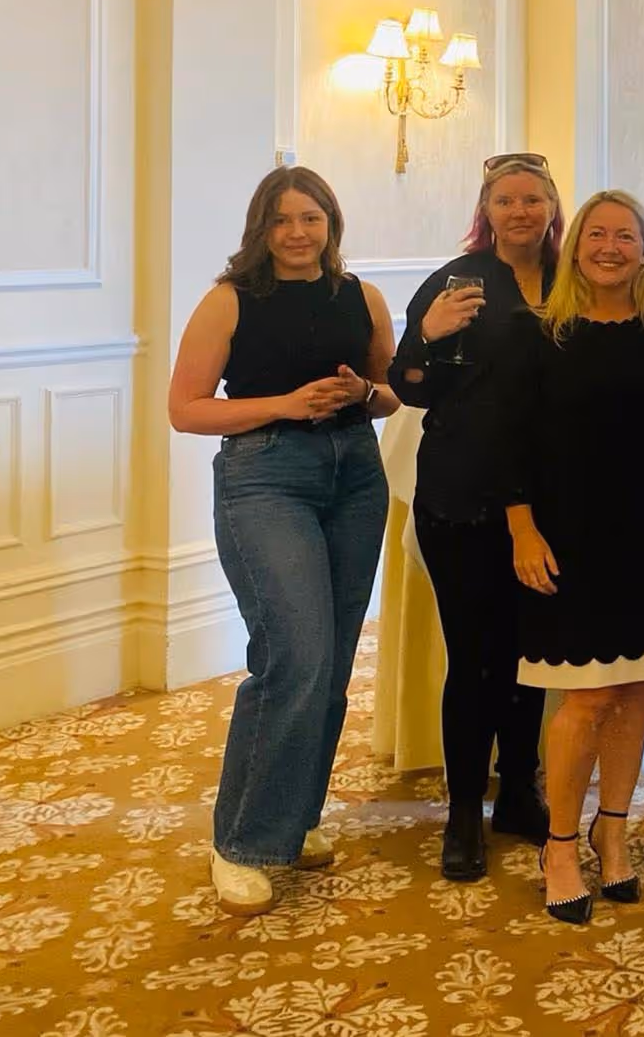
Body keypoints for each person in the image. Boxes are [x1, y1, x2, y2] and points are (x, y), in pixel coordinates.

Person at [167, 167, 400, 916]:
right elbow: (186, 410)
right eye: (282, 220)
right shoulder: (227, 300)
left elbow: (392, 391)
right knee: (292, 655)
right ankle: (241, 840)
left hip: (356, 476)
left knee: (329, 663)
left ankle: (293, 818)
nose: (298, 233)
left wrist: (363, 396)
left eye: (312, 218)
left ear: (331, 223)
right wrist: (289, 405)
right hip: (266, 477)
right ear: (260, 229)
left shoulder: (361, 295)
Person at [500, 191, 644, 924]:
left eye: (627, 236)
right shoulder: (537, 334)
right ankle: (560, 845)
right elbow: (513, 443)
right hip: (566, 535)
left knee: (632, 689)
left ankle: (612, 831)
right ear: (576, 244)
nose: (611, 247)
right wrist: (522, 531)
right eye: (598, 234)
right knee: (584, 695)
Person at [389, 153, 562, 881]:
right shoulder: (456, 281)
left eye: (532, 198)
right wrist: (426, 334)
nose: (520, 211)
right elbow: (407, 385)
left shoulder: (574, 278)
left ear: (554, 205)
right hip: (463, 494)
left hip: (552, 501)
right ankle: (465, 808)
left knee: (530, 656)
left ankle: (518, 793)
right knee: (474, 659)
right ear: (485, 211)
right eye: (505, 200)